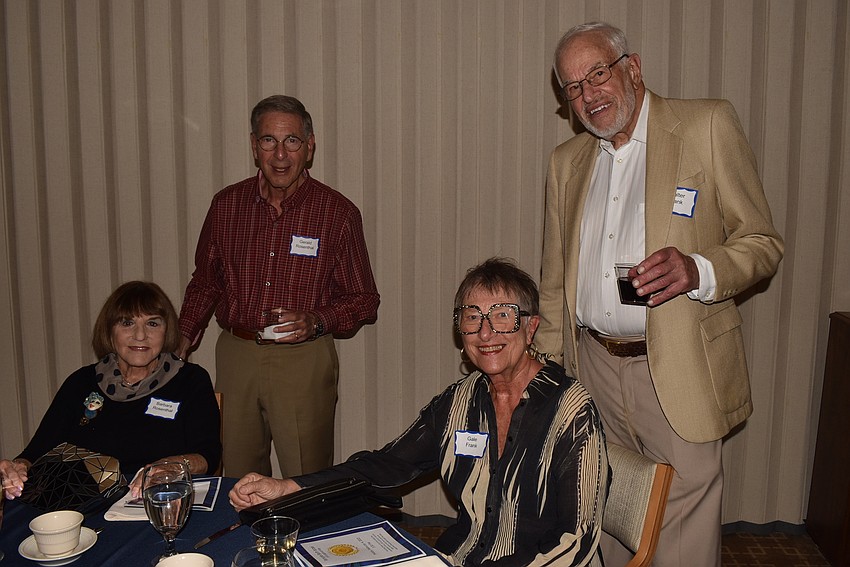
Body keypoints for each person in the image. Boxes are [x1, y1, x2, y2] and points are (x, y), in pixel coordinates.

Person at [536, 22, 784, 567]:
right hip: (593, 366)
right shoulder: (566, 163)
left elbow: (762, 243)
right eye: (572, 87)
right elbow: (554, 283)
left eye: (597, 73)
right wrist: (550, 374)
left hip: (677, 364)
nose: (588, 95)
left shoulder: (705, 125)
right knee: (602, 505)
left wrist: (698, 269)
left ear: (633, 67)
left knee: (681, 526)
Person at [230, 258, 609, 567]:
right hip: (459, 557)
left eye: (503, 315)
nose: (486, 333)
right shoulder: (459, 403)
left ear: (531, 328)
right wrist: (287, 486)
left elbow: (576, 539)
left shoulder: (571, 412)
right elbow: (384, 465)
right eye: (472, 317)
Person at [177, 95, 380, 479]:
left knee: (305, 475)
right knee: (235, 475)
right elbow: (205, 282)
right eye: (269, 141)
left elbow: (365, 300)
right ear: (254, 146)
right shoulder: (226, 206)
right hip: (236, 354)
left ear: (310, 146)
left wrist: (317, 320)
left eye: (292, 141)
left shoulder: (337, 213)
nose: (281, 155)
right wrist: (180, 342)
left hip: (302, 359)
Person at [0, 281, 221, 500]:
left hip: (161, 501)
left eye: (153, 323)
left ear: (167, 330)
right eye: (127, 323)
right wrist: (18, 467)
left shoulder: (190, 380)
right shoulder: (81, 383)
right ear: (109, 330)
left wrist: (170, 467)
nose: (140, 335)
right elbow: (37, 452)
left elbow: (208, 456)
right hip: (85, 507)